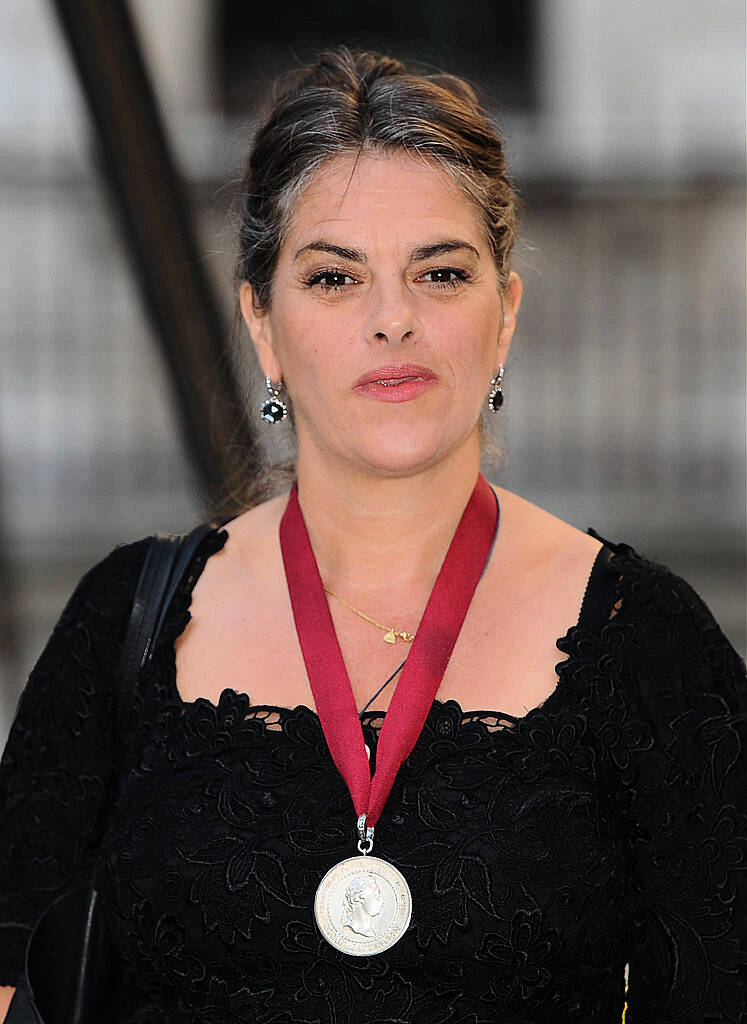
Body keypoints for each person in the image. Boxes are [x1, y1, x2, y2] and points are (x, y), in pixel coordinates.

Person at [1, 45, 745, 1024]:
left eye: (440, 272)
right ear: (262, 324)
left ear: (504, 314)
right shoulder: (121, 627)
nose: (393, 319)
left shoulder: (648, 645)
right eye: (334, 279)